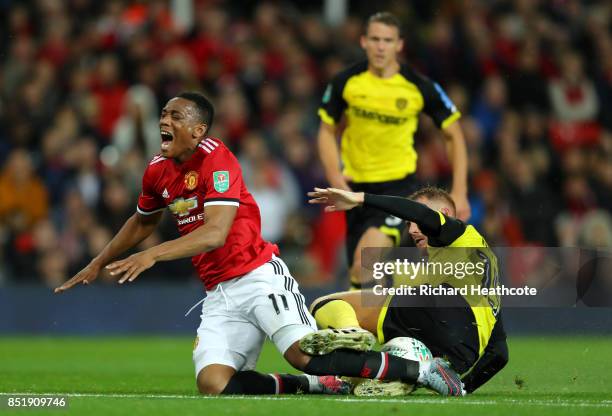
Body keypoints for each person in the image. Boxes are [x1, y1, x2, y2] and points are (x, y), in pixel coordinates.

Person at [54, 92, 465, 397]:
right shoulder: (157, 170)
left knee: (304, 352)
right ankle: (317, 387)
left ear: (198, 130)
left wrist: (151, 256)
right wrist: (98, 261)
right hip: (219, 291)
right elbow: (142, 221)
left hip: (257, 276)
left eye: (175, 116)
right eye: (163, 114)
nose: (165, 119)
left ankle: (418, 370)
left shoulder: (217, 160)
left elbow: (215, 232)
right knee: (214, 385)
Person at [316, 12, 470, 290]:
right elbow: (326, 129)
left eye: (387, 40)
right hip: (355, 187)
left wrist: (459, 191)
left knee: (367, 260)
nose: (380, 46)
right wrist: (335, 176)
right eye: (374, 39)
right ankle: (382, 322)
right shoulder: (346, 82)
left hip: (399, 189)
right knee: (361, 276)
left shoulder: (418, 86)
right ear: (363, 41)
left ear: (399, 45)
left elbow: (454, 134)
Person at [305, 186, 507, 395]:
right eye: (408, 223)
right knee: (407, 344)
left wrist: (360, 198)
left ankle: (352, 333)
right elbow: (499, 354)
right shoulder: (484, 269)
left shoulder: (456, 231)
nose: (411, 230)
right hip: (462, 354)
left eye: (413, 219)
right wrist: (465, 387)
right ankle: (411, 375)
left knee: (325, 304)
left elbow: (421, 213)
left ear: (444, 214)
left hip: (441, 311)